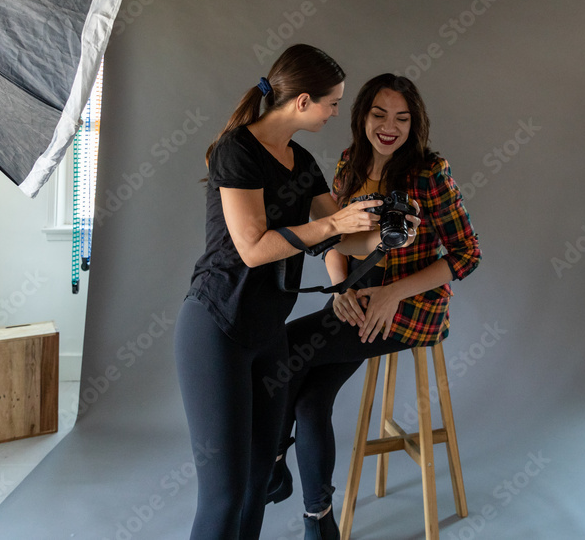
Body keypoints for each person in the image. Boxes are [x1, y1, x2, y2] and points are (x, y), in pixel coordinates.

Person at [174, 46, 418, 540]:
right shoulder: (236, 150)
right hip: (217, 326)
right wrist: (335, 221)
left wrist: (386, 233)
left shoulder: (302, 161)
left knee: (257, 482)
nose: (335, 113)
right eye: (332, 104)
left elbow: (340, 238)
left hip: (268, 337)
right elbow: (252, 248)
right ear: (303, 101)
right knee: (223, 496)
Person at [267, 73, 482, 540]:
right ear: (362, 115)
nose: (390, 127)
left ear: (415, 124)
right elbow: (335, 237)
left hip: (410, 308)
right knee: (309, 398)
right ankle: (319, 521)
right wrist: (342, 289)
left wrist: (391, 292)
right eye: (379, 114)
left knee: (281, 348)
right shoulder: (350, 164)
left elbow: (467, 254)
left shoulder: (430, 171)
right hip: (359, 301)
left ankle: (271, 463)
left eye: (402, 118)